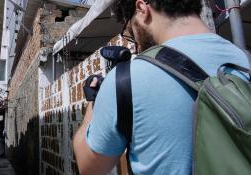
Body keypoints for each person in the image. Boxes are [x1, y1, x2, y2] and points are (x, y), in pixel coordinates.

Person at [72, 0, 249, 175]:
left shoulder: (126, 79)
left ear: (141, 8)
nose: (137, 44)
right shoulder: (245, 59)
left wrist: (94, 100)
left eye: (131, 31)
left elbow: (89, 168)